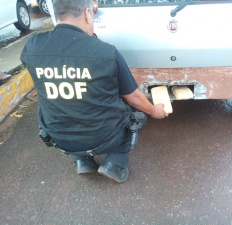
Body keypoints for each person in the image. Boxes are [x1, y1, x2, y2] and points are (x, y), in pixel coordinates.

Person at [20, 0, 168, 183]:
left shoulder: (33, 46)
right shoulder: (106, 52)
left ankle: (82, 160)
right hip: (105, 139)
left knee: (58, 101)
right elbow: (135, 98)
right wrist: (155, 110)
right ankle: (115, 163)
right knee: (137, 113)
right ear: (88, 15)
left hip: (59, 138)